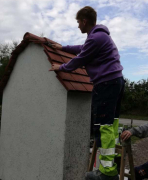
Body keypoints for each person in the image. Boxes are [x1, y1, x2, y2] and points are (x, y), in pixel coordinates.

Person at [49, 6, 124, 180]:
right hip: (115, 82)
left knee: (102, 127)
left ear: (84, 21)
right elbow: (81, 48)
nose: (77, 26)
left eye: (78, 22)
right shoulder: (100, 36)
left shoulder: (96, 38)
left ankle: (106, 173)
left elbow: (81, 58)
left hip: (105, 84)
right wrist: (63, 47)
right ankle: (111, 166)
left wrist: (60, 67)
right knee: (111, 126)